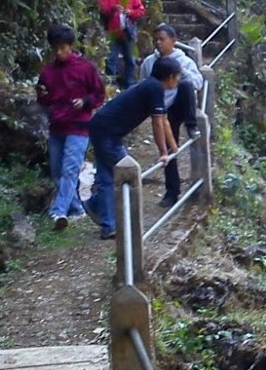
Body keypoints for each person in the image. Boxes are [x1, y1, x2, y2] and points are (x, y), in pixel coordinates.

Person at [85, 57, 182, 240]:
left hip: (103, 128)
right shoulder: (154, 88)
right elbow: (156, 123)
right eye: (177, 77)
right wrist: (163, 152)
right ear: (169, 77)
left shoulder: (152, 86)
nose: (178, 81)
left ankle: (102, 216)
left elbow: (164, 120)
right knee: (128, 174)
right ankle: (118, 222)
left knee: (108, 176)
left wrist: (174, 147)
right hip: (107, 132)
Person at [35, 24, 106, 230]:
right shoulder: (48, 71)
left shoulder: (85, 68)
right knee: (57, 171)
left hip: (79, 126)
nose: (59, 52)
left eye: (63, 47)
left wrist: (85, 102)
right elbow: (43, 99)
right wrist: (42, 94)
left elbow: (99, 94)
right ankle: (77, 209)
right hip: (56, 125)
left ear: (70, 46)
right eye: (56, 48)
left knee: (70, 170)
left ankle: (58, 212)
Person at [139, 23, 204, 208]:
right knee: (168, 151)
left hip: (180, 105)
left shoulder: (184, 61)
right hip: (161, 109)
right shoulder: (149, 63)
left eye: (162, 39)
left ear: (173, 41)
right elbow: (143, 84)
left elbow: (198, 82)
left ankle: (191, 126)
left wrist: (180, 74)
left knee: (185, 85)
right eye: (156, 40)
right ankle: (172, 191)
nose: (158, 43)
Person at [97, 0, 146, 89]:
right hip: (113, 32)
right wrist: (113, 9)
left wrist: (131, 12)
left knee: (130, 59)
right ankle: (111, 85)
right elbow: (102, 10)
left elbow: (141, 11)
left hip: (128, 32)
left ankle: (130, 85)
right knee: (111, 59)